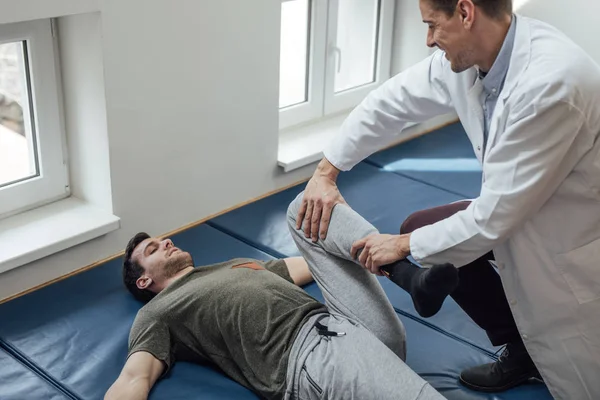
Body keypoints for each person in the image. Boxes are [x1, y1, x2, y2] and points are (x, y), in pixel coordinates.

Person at [296, 0, 600, 398]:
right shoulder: (475, 61)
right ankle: (524, 351)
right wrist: (326, 172)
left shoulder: (552, 84)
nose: (427, 40)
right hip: (520, 205)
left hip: (566, 227)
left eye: (432, 25)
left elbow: (495, 216)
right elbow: (393, 102)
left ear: (465, 12)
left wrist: (401, 246)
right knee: (422, 229)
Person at [104, 198, 456, 400]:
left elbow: (319, 259)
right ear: (145, 278)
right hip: (309, 357)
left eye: (161, 240)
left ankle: (411, 277)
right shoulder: (158, 312)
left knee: (304, 209)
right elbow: (134, 378)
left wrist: (348, 240)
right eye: (153, 249)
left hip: (346, 325)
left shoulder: (233, 265)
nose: (166, 242)